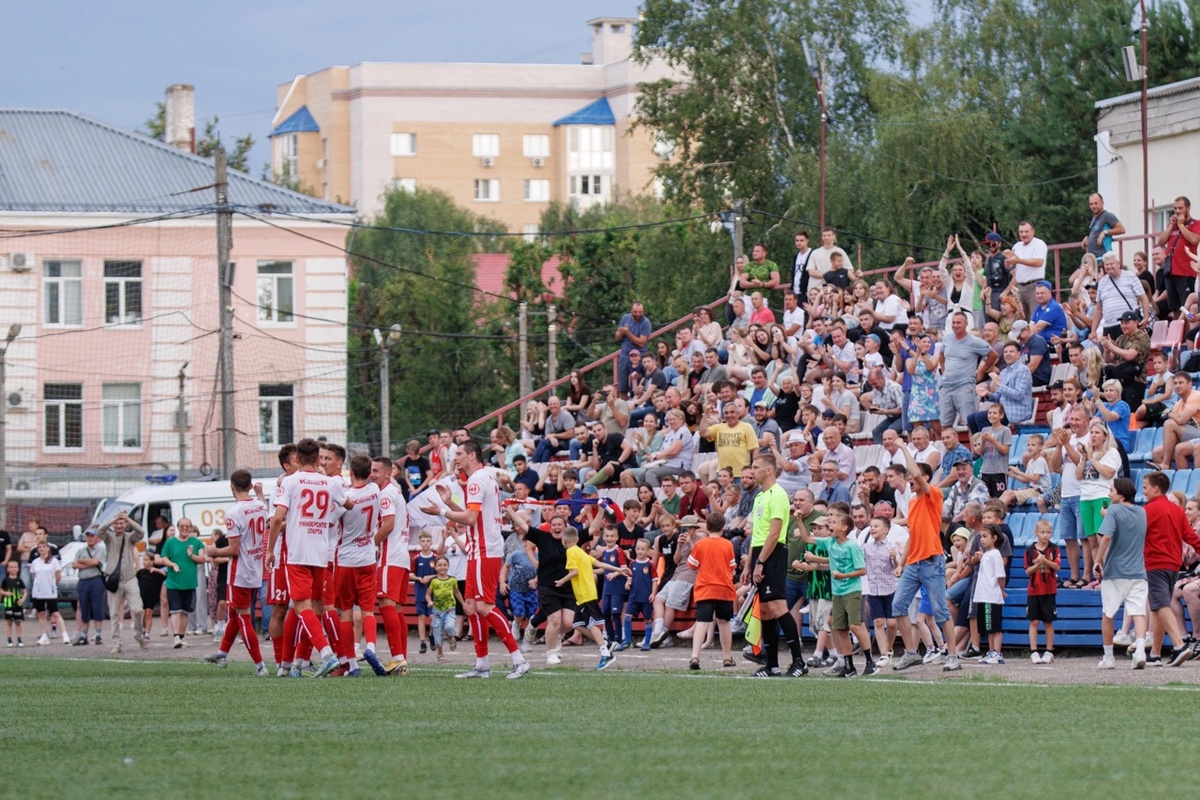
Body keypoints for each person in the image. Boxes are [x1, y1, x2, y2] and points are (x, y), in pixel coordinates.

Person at [419, 441, 528, 679]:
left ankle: (518, 658)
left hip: (484, 550)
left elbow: (469, 518)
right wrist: (448, 503)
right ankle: (482, 665)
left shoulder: (477, 480)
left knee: (484, 606)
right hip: (480, 549)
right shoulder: (481, 478)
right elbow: (475, 517)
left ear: (471, 455)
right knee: (470, 606)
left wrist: (441, 511)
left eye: (458, 453)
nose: (455, 457)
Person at [268, 437, 353, 679]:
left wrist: (270, 550)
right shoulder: (329, 483)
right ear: (318, 459)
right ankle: (296, 663)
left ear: (296, 459)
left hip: (297, 551)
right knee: (314, 609)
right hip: (321, 552)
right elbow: (348, 504)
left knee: (301, 607)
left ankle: (326, 654)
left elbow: (276, 518)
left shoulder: (290, 482)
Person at [891, 445, 961, 672]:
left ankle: (952, 655)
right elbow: (913, 534)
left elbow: (918, 474)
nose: (910, 480)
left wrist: (903, 447)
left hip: (932, 561)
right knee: (898, 605)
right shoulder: (912, 502)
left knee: (940, 610)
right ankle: (912, 652)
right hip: (914, 563)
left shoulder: (934, 494)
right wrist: (902, 562)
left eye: (913, 476)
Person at [743, 453, 807, 678]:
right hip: (761, 552)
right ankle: (772, 665)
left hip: (774, 553)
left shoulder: (778, 495)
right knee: (765, 610)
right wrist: (749, 564)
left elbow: (774, 533)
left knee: (779, 607)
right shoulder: (760, 496)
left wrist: (761, 562)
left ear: (769, 470)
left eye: (756, 467)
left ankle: (799, 662)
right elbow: (757, 535)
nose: (752, 471)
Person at [203, 469, 269, 675]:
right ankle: (222, 652)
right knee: (234, 613)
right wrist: (260, 494)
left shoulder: (234, 513)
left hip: (239, 573)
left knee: (243, 617)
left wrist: (213, 551)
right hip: (255, 569)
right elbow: (265, 512)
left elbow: (233, 549)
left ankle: (260, 665)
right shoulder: (259, 506)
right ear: (250, 486)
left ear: (231, 487)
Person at [1135, 472, 1200, 666]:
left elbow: (1136, 536)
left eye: (1145, 487)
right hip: (1173, 565)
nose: (1143, 491)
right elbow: (1190, 536)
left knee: (1160, 606)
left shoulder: (1147, 510)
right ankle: (1155, 654)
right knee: (1158, 608)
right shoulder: (1177, 510)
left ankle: (1179, 645)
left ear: (1156, 488)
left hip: (1155, 563)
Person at [1095, 477, 1148, 669]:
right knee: (1138, 613)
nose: (1109, 494)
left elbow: (1106, 536)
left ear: (1121, 494)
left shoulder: (1114, 510)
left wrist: (1097, 561)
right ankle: (1141, 649)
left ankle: (1108, 656)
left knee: (1108, 614)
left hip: (1115, 571)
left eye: (1111, 490)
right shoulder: (1142, 511)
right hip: (1138, 571)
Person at [558, 527, 628, 670]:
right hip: (584, 595)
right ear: (577, 539)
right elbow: (599, 564)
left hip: (585, 594)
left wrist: (561, 581)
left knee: (591, 624)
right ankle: (606, 643)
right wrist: (618, 569)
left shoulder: (571, 552)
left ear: (563, 540)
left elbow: (574, 571)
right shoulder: (581, 552)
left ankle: (605, 654)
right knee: (577, 624)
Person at [822, 510, 877, 677]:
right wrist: (800, 521)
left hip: (853, 590)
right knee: (840, 628)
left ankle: (870, 662)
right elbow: (808, 539)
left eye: (833, 519)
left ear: (844, 526)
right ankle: (848, 666)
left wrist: (842, 575)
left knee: (855, 625)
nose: (829, 522)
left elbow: (862, 570)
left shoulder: (851, 545)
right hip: (838, 591)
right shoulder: (831, 543)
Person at [371, 456, 412, 676]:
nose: (371, 474)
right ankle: (402, 660)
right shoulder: (396, 492)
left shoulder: (386, 493)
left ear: (388, 473)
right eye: (371, 470)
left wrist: (370, 545)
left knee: (386, 604)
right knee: (396, 610)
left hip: (389, 557)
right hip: (402, 556)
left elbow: (388, 525)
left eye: (376, 471)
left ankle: (397, 657)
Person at [685, 512, 737, 670]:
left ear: (707, 527)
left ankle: (695, 656)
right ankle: (727, 656)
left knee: (702, 622)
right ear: (723, 527)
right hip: (724, 589)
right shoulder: (728, 544)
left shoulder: (701, 544)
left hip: (705, 589)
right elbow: (732, 567)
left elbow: (692, 564)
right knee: (724, 622)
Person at [96, 510, 146, 653]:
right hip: (114, 580)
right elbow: (100, 530)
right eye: (117, 523)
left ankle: (138, 634)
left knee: (137, 609)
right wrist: (113, 519)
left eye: (121, 523)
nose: (119, 525)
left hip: (130, 578)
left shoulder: (130, 537)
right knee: (114, 613)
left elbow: (141, 532)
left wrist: (128, 519)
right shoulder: (109, 537)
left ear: (125, 525)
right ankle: (116, 642)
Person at [939, 311, 995, 430]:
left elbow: (992, 355)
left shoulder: (974, 341)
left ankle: (974, 449)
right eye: (953, 323)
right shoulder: (946, 339)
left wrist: (981, 372)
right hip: (946, 387)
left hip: (964, 386)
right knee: (945, 424)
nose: (955, 325)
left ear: (966, 324)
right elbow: (941, 354)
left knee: (970, 422)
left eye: (959, 323)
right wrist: (944, 371)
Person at [159, 518, 206, 650]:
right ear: (178, 527)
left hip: (190, 583)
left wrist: (192, 556)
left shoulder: (196, 543)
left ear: (191, 528)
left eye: (187, 526)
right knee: (175, 610)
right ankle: (175, 637)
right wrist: (172, 564)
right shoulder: (170, 542)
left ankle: (181, 636)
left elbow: (202, 559)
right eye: (182, 526)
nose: (184, 528)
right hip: (173, 582)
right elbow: (164, 558)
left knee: (186, 611)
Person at [1091, 252, 1152, 340]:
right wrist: (1093, 330)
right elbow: (1099, 308)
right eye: (1106, 265)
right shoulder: (1102, 282)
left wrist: (1146, 318)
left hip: (1129, 323)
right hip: (1109, 325)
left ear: (1118, 264)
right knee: (1110, 352)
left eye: (1111, 264)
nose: (1109, 267)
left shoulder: (1130, 276)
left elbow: (1143, 297)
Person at [1156, 196, 1200, 314]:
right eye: (1175, 208)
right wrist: (1171, 225)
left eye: (1180, 208)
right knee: (1175, 307)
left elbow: (1194, 240)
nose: (1177, 211)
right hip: (1171, 271)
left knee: (1186, 307)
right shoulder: (1173, 226)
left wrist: (1181, 225)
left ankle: (1185, 332)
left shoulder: (1195, 224)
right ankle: (1177, 332)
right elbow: (1160, 242)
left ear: (1188, 208)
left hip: (1185, 272)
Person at [1024, 519, 1060, 664]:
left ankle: (1049, 651)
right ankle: (1033, 651)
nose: (1045, 535)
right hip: (1034, 591)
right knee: (1034, 621)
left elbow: (1056, 566)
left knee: (1048, 621)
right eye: (1042, 532)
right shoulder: (1030, 550)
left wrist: (1044, 561)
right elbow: (1028, 571)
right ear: (1036, 532)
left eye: (1048, 532)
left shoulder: (1054, 549)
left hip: (1049, 590)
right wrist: (1037, 564)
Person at [972, 524, 1007, 665]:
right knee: (988, 627)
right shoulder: (986, 554)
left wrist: (1001, 590)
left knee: (995, 627)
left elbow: (1000, 575)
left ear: (994, 538)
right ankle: (991, 651)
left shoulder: (996, 555)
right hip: (983, 596)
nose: (982, 539)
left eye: (985, 537)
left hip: (991, 596)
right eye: (981, 536)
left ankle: (997, 653)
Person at [1004, 220, 1048, 316]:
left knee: (1035, 317)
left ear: (1033, 231)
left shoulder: (1039, 244)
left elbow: (1039, 262)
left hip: (1035, 286)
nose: (1023, 234)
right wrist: (1007, 261)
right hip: (1020, 288)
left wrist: (1018, 260)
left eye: (1026, 231)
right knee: (1021, 319)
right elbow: (1011, 266)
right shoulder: (1017, 246)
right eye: (1021, 232)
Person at [71, 529, 106, 646]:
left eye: (92, 536)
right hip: (83, 581)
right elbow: (74, 564)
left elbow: (95, 562)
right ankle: (84, 635)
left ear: (97, 538)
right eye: (88, 536)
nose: (90, 538)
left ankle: (98, 635)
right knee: (83, 608)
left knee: (97, 608)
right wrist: (87, 562)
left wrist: (82, 562)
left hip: (95, 580)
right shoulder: (81, 550)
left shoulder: (101, 550)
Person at [29, 543, 67, 645]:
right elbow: (34, 576)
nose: (42, 549)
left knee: (55, 613)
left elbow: (58, 576)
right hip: (38, 592)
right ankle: (44, 636)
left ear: (48, 548)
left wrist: (52, 585)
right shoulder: (35, 562)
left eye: (44, 547)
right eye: (40, 547)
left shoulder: (54, 561)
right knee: (41, 614)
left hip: (50, 592)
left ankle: (65, 634)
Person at [616, 303, 653, 396]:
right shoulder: (625, 318)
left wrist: (627, 332)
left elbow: (641, 342)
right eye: (635, 312)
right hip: (625, 355)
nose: (638, 314)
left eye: (640, 312)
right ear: (631, 311)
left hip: (639, 356)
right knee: (622, 388)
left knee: (640, 387)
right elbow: (617, 337)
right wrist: (621, 332)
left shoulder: (646, 322)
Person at [427, 556, 459, 663]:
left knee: (450, 626)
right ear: (435, 567)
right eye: (439, 565)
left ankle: (451, 637)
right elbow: (428, 595)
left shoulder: (452, 580)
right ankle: (440, 654)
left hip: (450, 608)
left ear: (448, 566)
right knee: (438, 632)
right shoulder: (433, 581)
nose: (442, 567)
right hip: (437, 610)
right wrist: (429, 601)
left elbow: (457, 592)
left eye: (445, 565)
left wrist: (464, 604)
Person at [412, 532, 437, 654]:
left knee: (433, 616)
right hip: (420, 591)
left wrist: (430, 577)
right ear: (419, 543)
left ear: (431, 542)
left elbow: (441, 573)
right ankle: (422, 642)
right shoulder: (416, 558)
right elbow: (411, 573)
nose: (426, 543)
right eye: (423, 541)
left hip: (433, 592)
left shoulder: (435, 558)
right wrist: (418, 579)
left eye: (428, 541)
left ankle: (431, 634)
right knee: (421, 617)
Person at [1082, 192, 1125, 257]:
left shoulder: (1107, 216)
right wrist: (1087, 237)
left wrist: (1105, 232)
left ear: (1102, 203)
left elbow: (1122, 229)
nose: (1093, 206)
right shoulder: (1094, 218)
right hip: (1092, 258)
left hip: (1102, 258)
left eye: (1096, 203)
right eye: (1091, 204)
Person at [2, 560, 25, 647]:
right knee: (9, 622)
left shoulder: (19, 580)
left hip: (17, 605)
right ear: (8, 569)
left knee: (18, 622)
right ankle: (9, 640)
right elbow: (1, 590)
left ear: (18, 569)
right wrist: (5, 593)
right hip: (9, 605)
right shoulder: (5, 580)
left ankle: (19, 639)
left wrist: (22, 599)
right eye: (11, 567)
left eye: (15, 567)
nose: (13, 569)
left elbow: (25, 591)